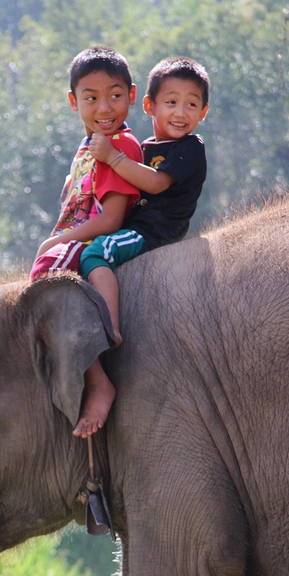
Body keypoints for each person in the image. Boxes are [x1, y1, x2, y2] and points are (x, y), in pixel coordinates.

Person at [30, 47, 143, 438]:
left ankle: (97, 378)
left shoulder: (119, 148)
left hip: (99, 238)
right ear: (73, 101)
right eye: (91, 97)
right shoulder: (88, 146)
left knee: (48, 271)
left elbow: (111, 218)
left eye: (114, 95)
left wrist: (58, 241)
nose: (104, 107)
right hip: (79, 233)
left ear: (132, 95)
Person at [83, 56, 209, 354]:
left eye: (191, 105)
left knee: (95, 253)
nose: (180, 113)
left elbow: (155, 183)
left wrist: (113, 156)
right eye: (171, 102)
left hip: (153, 231)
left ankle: (108, 327)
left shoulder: (191, 148)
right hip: (135, 226)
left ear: (203, 112)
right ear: (150, 105)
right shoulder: (144, 148)